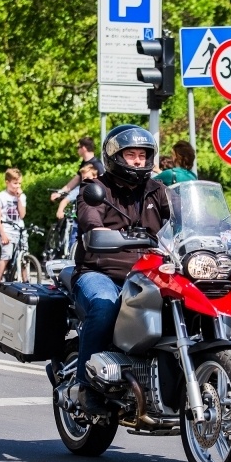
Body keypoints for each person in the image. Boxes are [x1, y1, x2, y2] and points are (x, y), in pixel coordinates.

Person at [72, 125, 171, 415]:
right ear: (115, 156)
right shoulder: (96, 190)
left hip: (148, 274)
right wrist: (101, 233)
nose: (139, 161)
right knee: (105, 307)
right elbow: (91, 221)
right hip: (101, 274)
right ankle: (86, 387)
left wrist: (227, 234)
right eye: (132, 155)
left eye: (143, 155)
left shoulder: (157, 190)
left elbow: (184, 216)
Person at [0, 168, 26, 292]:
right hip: (6, 230)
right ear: (7, 182)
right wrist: (3, 234)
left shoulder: (21, 196)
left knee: (23, 257)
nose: (17, 186)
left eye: (19, 183)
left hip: (20, 230)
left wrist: (19, 199)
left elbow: (22, 215)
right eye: (15, 183)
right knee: (6, 255)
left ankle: (26, 282)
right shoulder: (0, 197)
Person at [56, 164, 98, 251]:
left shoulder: (99, 189)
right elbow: (65, 200)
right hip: (78, 223)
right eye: (83, 178)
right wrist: (60, 210)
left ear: (95, 177)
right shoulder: (79, 189)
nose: (85, 180)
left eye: (88, 177)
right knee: (73, 243)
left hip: (94, 222)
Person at [49, 137, 105, 202]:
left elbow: (103, 184)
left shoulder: (97, 164)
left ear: (83, 148)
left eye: (78, 147)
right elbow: (75, 181)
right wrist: (60, 192)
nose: (77, 150)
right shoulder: (84, 163)